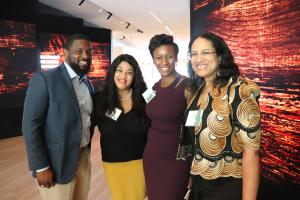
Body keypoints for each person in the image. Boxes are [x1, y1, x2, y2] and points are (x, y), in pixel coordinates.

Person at [177, 32, 261, 200]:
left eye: (206, 52)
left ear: (220, 56)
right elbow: (195, 138)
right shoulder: (196, 90)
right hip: (199, 184)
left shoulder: (239, 89)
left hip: (226, 189)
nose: (198, 58)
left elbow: (251, 153)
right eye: (194, 54)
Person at [22, 33, 95, 200]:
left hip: (82, 157)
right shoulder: (45, 79)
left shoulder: (88, 84)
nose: (85, 56)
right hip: (56, 163)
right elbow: (30, 125)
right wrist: (41, 166)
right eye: (79, 51)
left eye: (89, 51)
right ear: (65, 53)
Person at [143, 34, 192, 200]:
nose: (164, 62)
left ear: (176, 58)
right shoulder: (154, 87)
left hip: (176, 160)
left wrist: (191, 165)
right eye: (159, 57)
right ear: (153, 59)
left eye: (169, 57)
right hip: (152, 156)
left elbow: (193, 127)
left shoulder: (188, 86)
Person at [95, 54, 149, 200]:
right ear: (113, 72)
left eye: (129, 72)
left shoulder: (147, 97)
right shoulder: (99, 99)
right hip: (113, 164)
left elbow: (163, 115)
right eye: (119, 70)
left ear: (135, 76)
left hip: (140, 164)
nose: (123, 76)